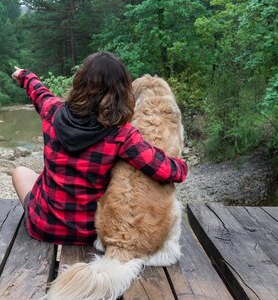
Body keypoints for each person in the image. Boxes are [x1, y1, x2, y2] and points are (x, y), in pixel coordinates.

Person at [11, 51, 187, 245]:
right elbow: (170, 172)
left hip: (44, 227)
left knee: (20, 172)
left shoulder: (52, 110)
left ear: (79, 83)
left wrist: (24, 75)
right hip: (92, 233)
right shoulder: (122, 135)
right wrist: (181, 165)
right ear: (121, 92)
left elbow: (38, 91)